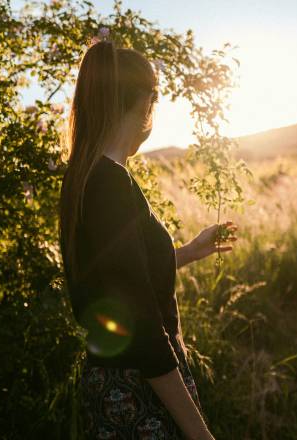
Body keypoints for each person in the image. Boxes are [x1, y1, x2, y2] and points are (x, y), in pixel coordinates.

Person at [58, 39, 239, 439]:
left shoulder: (90, 178)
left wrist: (189, 251)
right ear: (144, 104)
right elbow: (139, 324)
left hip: (124, 383)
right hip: (135, 388)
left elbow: (119, 277)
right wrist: (199, 432)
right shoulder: (108, 186)